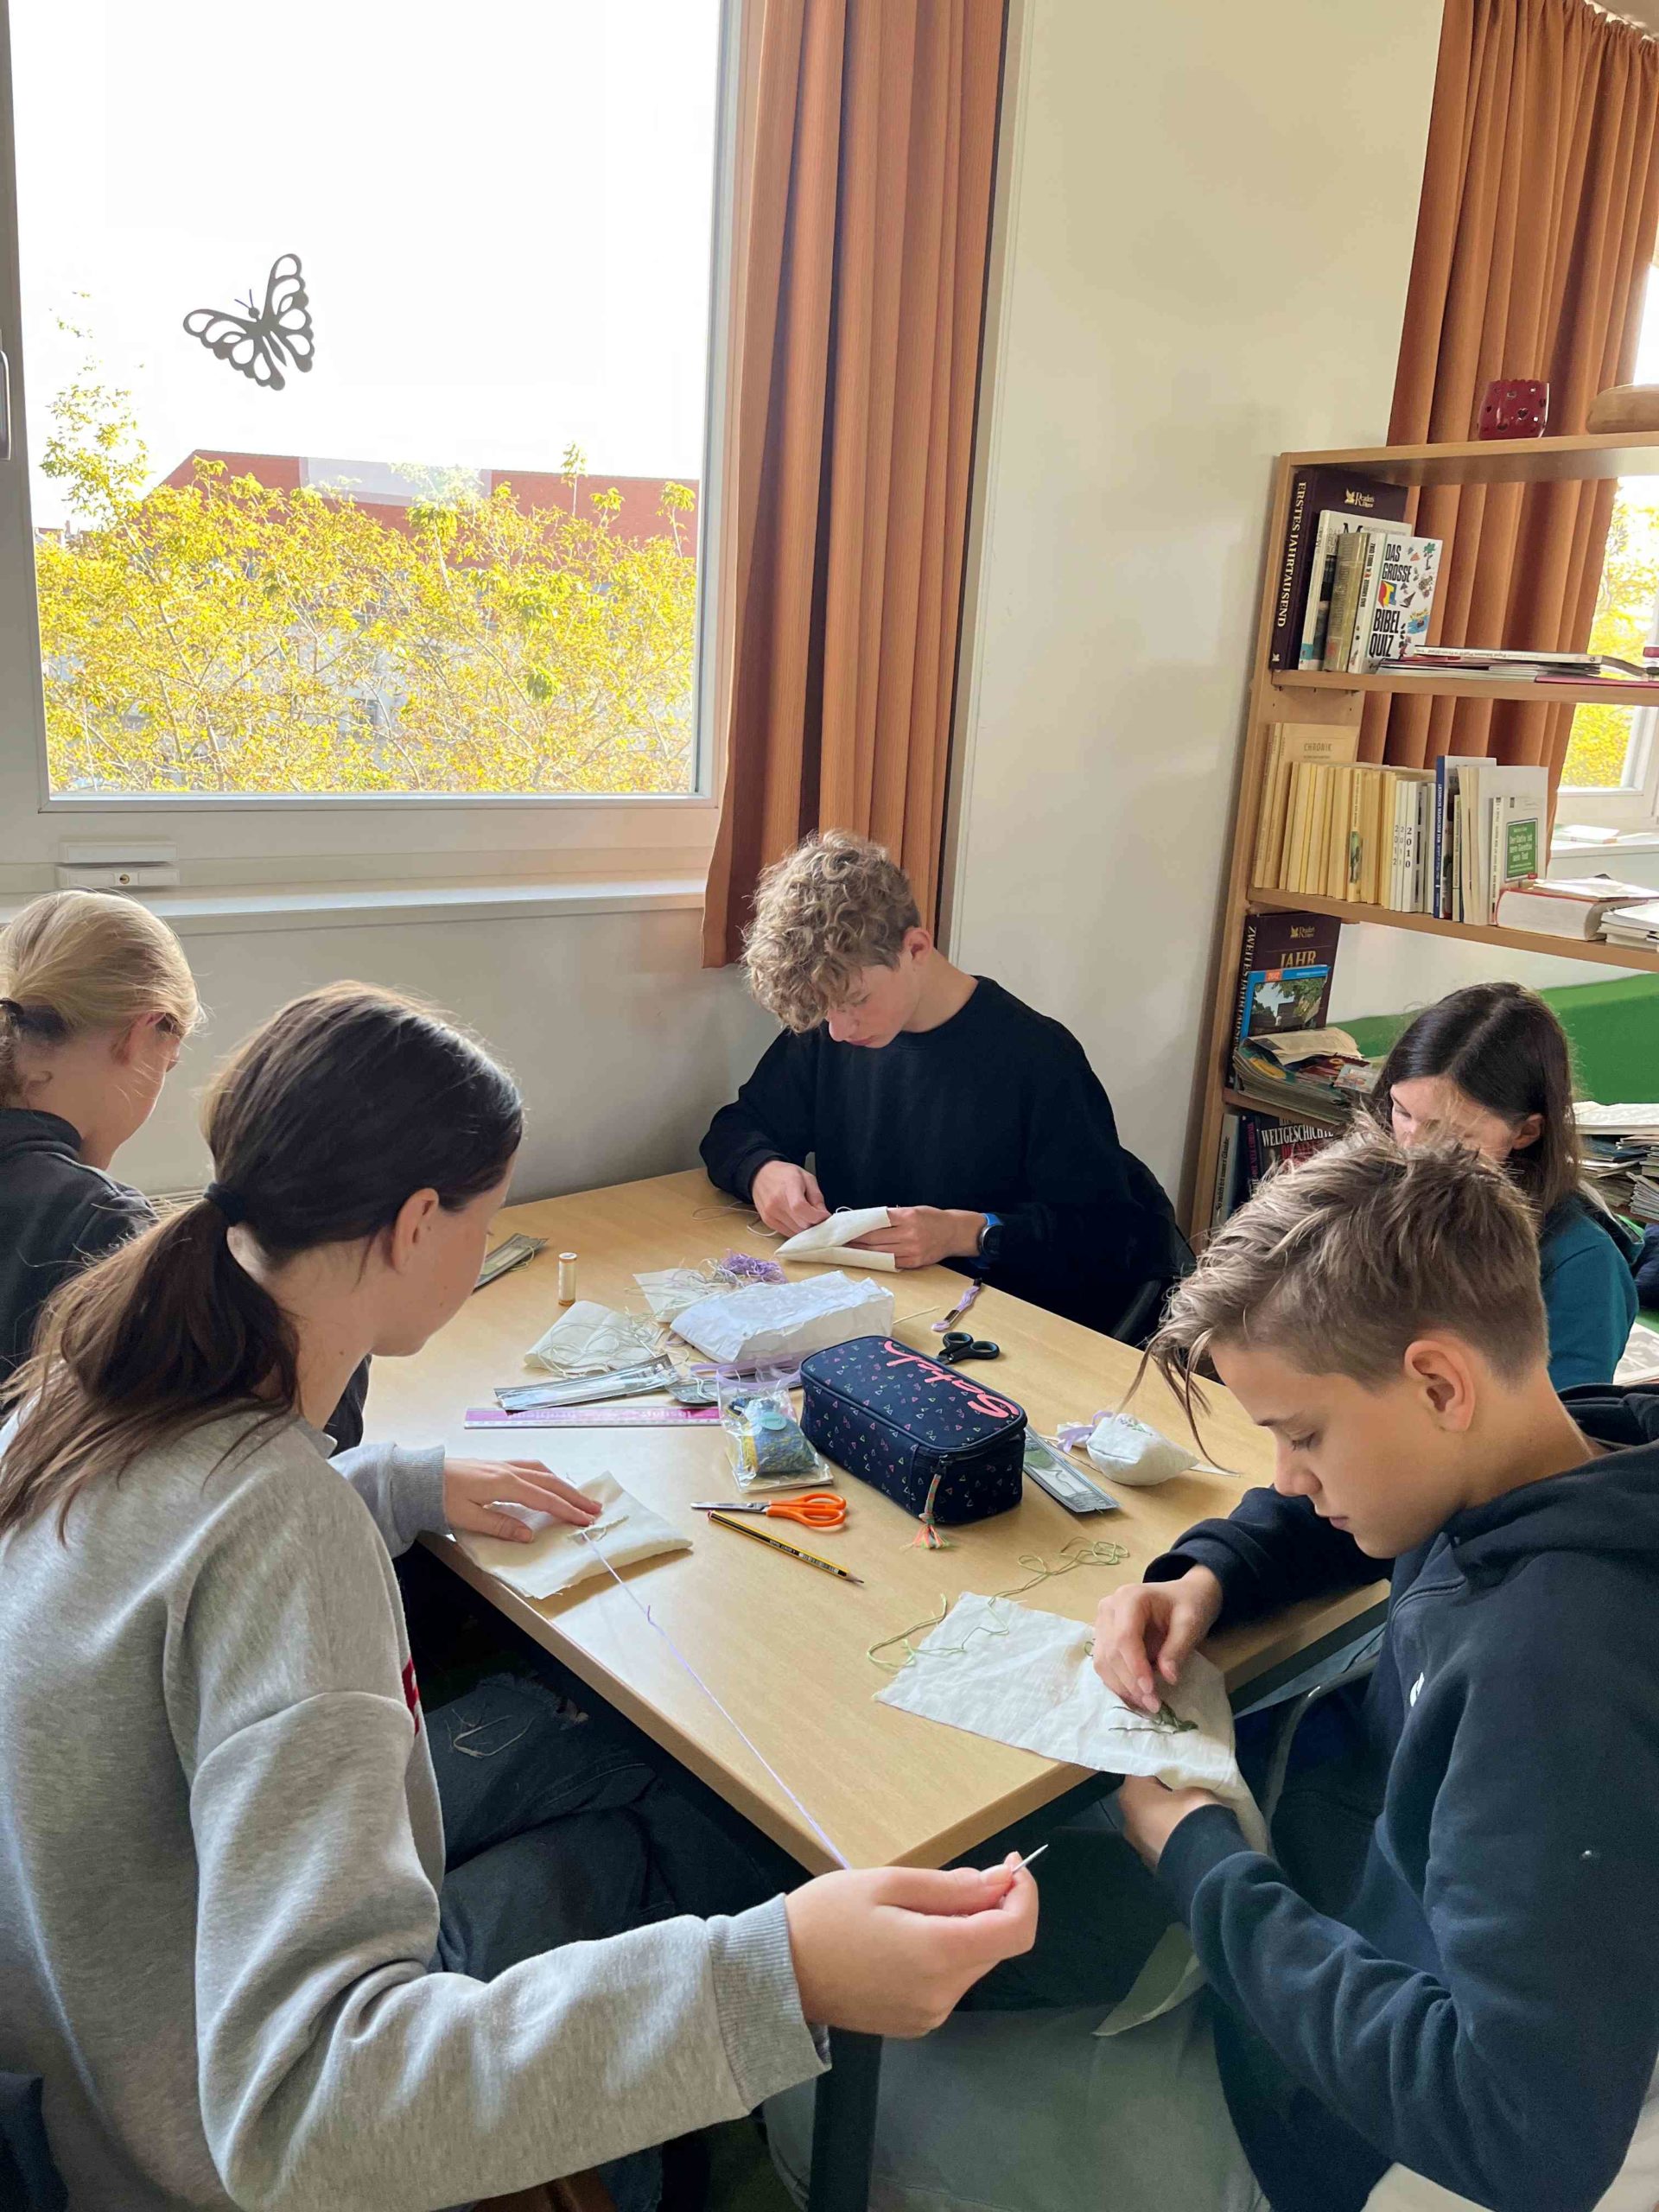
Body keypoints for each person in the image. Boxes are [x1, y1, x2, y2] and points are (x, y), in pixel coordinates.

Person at [0, 981, 1037, 2209]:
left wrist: (398, 1481)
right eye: (488, 1216)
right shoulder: (277, 1535)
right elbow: (307, 2117)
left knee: (592, 1739)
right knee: (698, 1843)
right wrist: (783, 1974)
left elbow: (189, 1547)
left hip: (98, 1994)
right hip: (197, 2130)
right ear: (418, 1224)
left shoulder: (78, 1386)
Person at [766, 1130, 1659, 2212]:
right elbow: (1331, 1512)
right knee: (977, 1928)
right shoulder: (1558, 1450)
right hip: (1329, 1902)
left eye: (1303, 1435)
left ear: (1438, 1382)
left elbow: (1520, 2133)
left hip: (1338, 2131)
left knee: (813, 2102)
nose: (1288, 1475)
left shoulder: (1554, 1675)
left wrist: (1199, 1860)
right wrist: (1209, 1572)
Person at [701, 831, 1182, 1337]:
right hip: (869, 1311)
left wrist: (966, 1233)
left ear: (915, 948)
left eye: (856, 1001)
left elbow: (1107, 1239)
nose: (839, 1029)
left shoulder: (1038, 1057)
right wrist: (763, 1171)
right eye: (826, 1010)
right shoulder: (830, 1031)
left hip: (995, 1328)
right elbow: (735, 1128)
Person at [1373, 979, 1638, 1391]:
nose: (1412, 1148)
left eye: (1451, 1133)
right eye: (1402, 1112)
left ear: (1526, 1132)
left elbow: (1566, 1421)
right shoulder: (1361, 1194)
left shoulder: (1580, 1262)